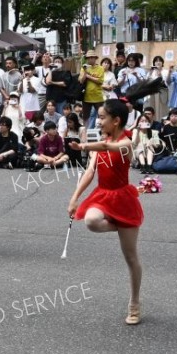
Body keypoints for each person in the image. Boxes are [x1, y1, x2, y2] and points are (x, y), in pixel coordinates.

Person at [67, 99, 144, 325]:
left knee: (130, 257)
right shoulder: (102, 142)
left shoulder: (126, 144)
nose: (98, 122)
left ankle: (134, 303)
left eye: (102, 117)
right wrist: (74, 198)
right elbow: (90, 172)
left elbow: (107, 148)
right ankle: (118, 225)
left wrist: (82, 147)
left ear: (116, 120)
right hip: (103, 195)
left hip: (123, 199)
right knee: (91, 221)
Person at [79, 50, 105, 127]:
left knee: (102, 115)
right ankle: (85, 132)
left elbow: (100, 81)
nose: (90, 59)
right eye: (88, 58)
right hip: (86, 96)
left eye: (92, 57)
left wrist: (88, 76)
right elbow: (81, 81)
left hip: (98, 96)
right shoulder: (84, 68)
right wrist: (85, 72)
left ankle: (103, 131)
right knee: (85, 116)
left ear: (95, 58)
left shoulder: (100, 68)